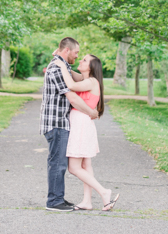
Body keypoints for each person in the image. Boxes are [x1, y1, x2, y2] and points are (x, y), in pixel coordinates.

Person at [52, 54, 120, 211]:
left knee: (74, 168)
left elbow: (70, 84)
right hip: (82, 123)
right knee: (85, 164)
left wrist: (62, 66)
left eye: (84, 60)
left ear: (90, 67)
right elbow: (72, 75)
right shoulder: (86, 80)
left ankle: (104, 191)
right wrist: (61, 59)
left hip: (81, 124)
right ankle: (87, 201)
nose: (80, 61)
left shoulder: (90, 82)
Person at [40, 37, 99, 212]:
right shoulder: (57, 69)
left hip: (60, 122)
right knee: (57, 163)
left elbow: (80, 79)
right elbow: (72, 96)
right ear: (67, 51)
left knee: (59, 163)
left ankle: (58, 198)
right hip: (56, 122)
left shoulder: (62, 65)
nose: (77, 56)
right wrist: (91, 112)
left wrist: (57, 56)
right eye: (76, 53)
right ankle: (54, 202)